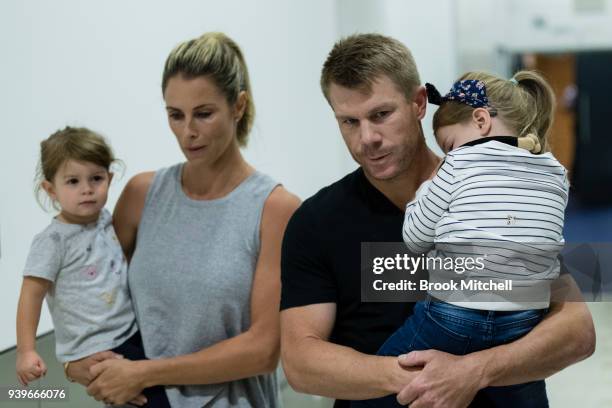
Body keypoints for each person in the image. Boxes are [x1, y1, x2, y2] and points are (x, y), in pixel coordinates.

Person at [280, 33, 595, 408]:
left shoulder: (493, 190)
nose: (367, 138)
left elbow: (576, 331)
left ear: (417, 103)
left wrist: (475, 371)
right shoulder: (316, 223)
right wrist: (421, 378)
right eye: (349, 121)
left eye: (381, 115)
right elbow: (301, 363)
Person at [64, 32, 300, 407]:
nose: (188, 131)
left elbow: (263, 349)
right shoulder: (142, 195)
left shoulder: (275, 209)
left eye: (204, 114)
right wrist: (73, 361)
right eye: (176, 115)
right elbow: (91, 294)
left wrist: (146, 372)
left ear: (238, 106)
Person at [352, 70, 571, 407]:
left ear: (481, 120)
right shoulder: (556, 171)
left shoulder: (460, 163)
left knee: (374, 391)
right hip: (526, 319)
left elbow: (415, 237)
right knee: (519, 389)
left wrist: (425, 190)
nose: (447, 154)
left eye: (449, 144)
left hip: (454, 315)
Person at [16, 127, 170, 407]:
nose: (87, 189)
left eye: (96, 179)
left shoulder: (105, 219)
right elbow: (31, 294)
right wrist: (26, 351)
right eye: (73, 181)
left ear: (109, 179)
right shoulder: (52, 241)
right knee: (150, 400)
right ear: (51, 189)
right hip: (100, 349)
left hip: (134, 332)